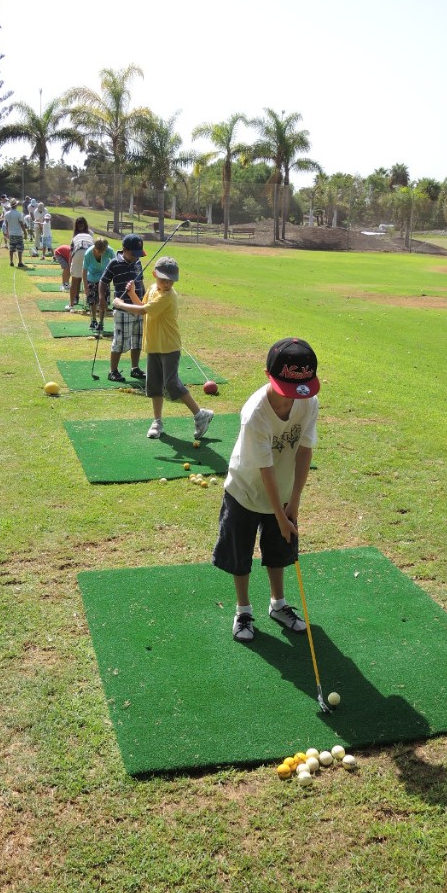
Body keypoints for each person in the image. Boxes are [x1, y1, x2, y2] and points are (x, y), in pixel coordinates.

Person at [212, 337, 320, 642]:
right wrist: (279, 516)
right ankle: (243, 610)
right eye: (286, 391)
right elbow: (265, 468)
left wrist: (293, 504)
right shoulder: (255, 413)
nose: (290, 401)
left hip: (283, 493)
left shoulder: (309, 402)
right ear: (267, 374)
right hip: (245, 491)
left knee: (279, 552)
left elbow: (304, 451)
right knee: (240, 553)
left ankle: (278, 605)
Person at [113, 256, 215, 440]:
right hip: (153, 345)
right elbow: (143, 306)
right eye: (163, 279)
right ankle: (157, 421)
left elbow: (142, 311)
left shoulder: (168, 296)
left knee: (171, 383)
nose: (167, 283)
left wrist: (120, 304)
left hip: (169, 346)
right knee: (153, 385)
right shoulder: (153, 289)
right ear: (154, 275)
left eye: (171, 280)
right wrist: (132, 294)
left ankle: (201, 415)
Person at [99, 233, 147, 382]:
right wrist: (102, 299)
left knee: (137, 339)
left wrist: (144, 300)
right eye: (133, 254)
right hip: (122, 309)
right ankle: (112, 371)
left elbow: (141, 283)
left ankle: (135, 368)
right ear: (124, 249)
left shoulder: (137, 262)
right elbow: (103, 281)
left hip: (138, 306)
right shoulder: (114, 263)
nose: (136, 257)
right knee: (120, 341)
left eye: (138, 254)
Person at [84, 237, 114, 331]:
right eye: (99, 251)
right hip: (92, 278)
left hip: (104, 278)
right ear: (95, 248)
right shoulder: (88, 253)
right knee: (92, 301)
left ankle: (101, 322)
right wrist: (86, 287)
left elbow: (115, 263)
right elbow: (84, 271)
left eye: (103, 251)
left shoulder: (109, 251)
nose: (102, 253)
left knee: (103, 301)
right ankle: (93, 320)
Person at [66, 217, 94, 311]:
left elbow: (71, 253)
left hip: (79, 253)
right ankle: (91, 303)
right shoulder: (88, 235)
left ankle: (71, 305)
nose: (80, 226)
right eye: (79, 224)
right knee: (90, 280)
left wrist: (71, 266)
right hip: (88, 253)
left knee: (75, 280)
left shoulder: (76, 236)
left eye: (82, 224)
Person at [4, 198, 25, 267]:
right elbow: (21, 224)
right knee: (20, 248)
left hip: (11, 233)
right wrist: (25, 232)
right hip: (18, 233)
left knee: (11, 248)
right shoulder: (19, 214)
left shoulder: (6, 214)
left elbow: (7, 224)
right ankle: (20, 262)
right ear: (16, 205)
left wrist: (7, 233)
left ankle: (11, 262)